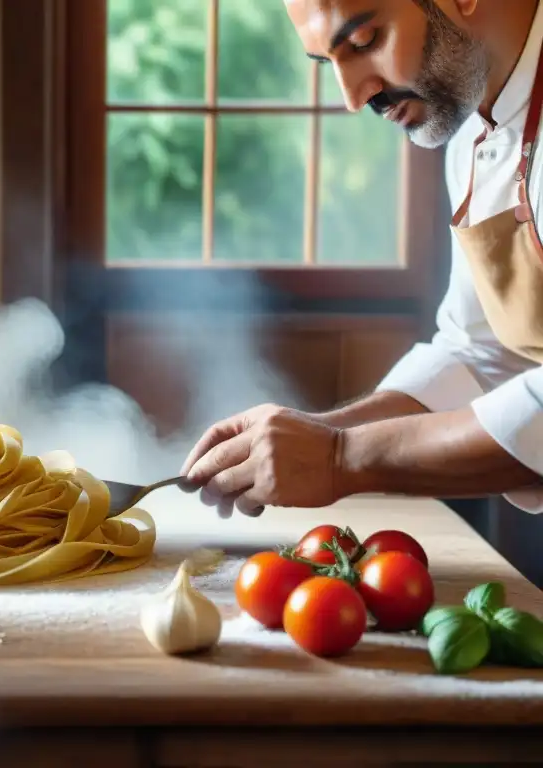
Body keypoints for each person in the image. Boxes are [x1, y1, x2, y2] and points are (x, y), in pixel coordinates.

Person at [181, 0, 543, 518]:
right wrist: (318, 433)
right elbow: (479, 353)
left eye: (364, 41)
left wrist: (340, 458)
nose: (353, 97)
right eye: (330, 63)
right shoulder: (471, 138)